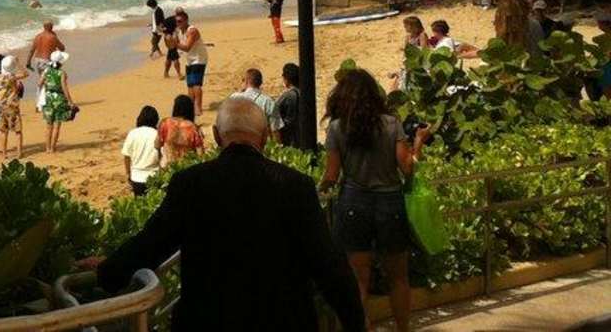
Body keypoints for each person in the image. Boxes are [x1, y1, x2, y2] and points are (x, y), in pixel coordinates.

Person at [95, 98, 365, 332]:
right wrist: (355, 322)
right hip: (282, 320)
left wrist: (107, 272)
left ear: (216, 136)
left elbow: (151, 243)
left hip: (208, 321)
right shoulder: (296, 185)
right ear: (264, 138)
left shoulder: (190, 183)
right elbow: (328, 264)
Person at [321, 67, 428, 332]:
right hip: (389, 201)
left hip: (353, 201)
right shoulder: (391, 123)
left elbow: (331, 175)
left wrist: (319, 190)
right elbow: (407, 167)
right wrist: (418, 142)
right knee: (398, 278)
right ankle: (403, 329)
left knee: (358, 280)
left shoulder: (337, 127)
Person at [171, 9, 209, 115]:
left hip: (199, 58)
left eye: (180, 21)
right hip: (189, 59)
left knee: (196, 83)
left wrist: (175, 43)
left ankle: (198, 107)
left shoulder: (192, 31)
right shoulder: (179, 31)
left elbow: (187, 47)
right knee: (190, 84)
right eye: (176, 21)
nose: (178, 23)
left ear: (186, 20)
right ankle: (190, 105)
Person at [41, 50, 76, 152]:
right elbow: (64, 88)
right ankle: (53, 148)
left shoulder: (46, 71)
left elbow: (40, 83)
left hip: (48, 99)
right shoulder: (62, 73)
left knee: (48, 125)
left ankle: (47, 148)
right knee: (57, 124)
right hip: (59, 99)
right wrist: (70, 101)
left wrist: (47, 86)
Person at [121, 105, 160, 196]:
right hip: (154, 176)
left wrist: (128, 173)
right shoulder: (157, 134)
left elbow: (127, 156)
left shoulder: (133, 133)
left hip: (136, 177)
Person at [0, 54, 27, 157]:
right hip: (11, 106)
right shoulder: (12, 77)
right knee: (18, 131)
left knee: (3, 131)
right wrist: (18, 63)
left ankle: (4, 154)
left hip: (0, 106)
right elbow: (25, 73)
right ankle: (19, 153)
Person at [155, 93, 204, 165]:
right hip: (186, 166)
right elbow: (200, 153)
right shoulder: (193, 128)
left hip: (167, 166)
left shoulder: (165, 123)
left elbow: (157, 145)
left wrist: (160, 157)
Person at [230, 68, 280, 134]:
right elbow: (275, 129)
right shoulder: (269, 102)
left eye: (243, 80)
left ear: (246, 81)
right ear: (260, 83)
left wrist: (241, 90)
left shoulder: (234, 97)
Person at [276, 62, 302, 147]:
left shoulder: (288, 95)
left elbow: (274, 112)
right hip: (301, 136)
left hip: (289, 138)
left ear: (286, 79)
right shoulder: (304, 94)